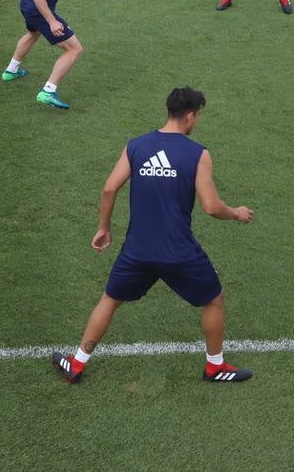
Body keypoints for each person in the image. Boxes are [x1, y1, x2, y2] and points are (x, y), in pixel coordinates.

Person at [52, 87, 255, 384]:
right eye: (197, 116)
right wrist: (236, 212)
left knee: (109, 300)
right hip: (179, 252)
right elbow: (211, 207)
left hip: (138, 250)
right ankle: (215, 367)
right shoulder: (198, 154)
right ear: (190, 115)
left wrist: (104, 228)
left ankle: (78, 363)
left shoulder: (136, 146)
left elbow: (110, 188)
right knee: (214, 300)